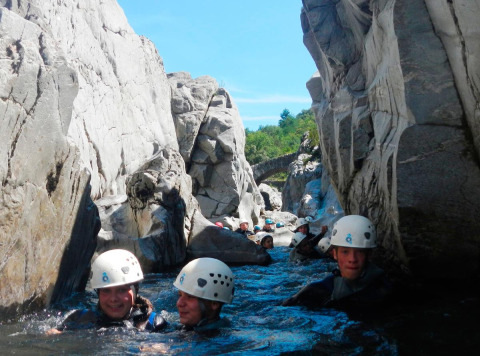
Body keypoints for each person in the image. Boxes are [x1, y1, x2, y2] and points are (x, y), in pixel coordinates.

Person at [282, 215, 392, 310]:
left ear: (369, 255)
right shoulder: (317, 291)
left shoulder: (387, 291)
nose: (352, 259)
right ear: (334, 254)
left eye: (359, 252)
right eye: (345, 252)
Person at [47, 249, 166, 334]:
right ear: (97, 293)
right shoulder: (79, 319)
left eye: (121, 290)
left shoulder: (154, 324)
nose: (113, 298)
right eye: (106, 291)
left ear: (135, 291)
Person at [174, 257, 235, 331]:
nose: (179, 303)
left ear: (214, 303)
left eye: (190, 296)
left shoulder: (220, 339)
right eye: (180, 295)